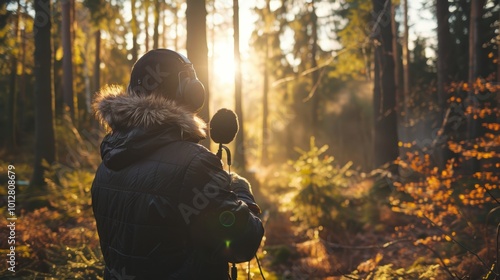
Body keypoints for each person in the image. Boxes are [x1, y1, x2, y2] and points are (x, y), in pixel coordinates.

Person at [91, 49, 264, 279]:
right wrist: (241, 189)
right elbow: (243, 242)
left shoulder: (106, 166)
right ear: (189, 91)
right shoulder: (193, 165)